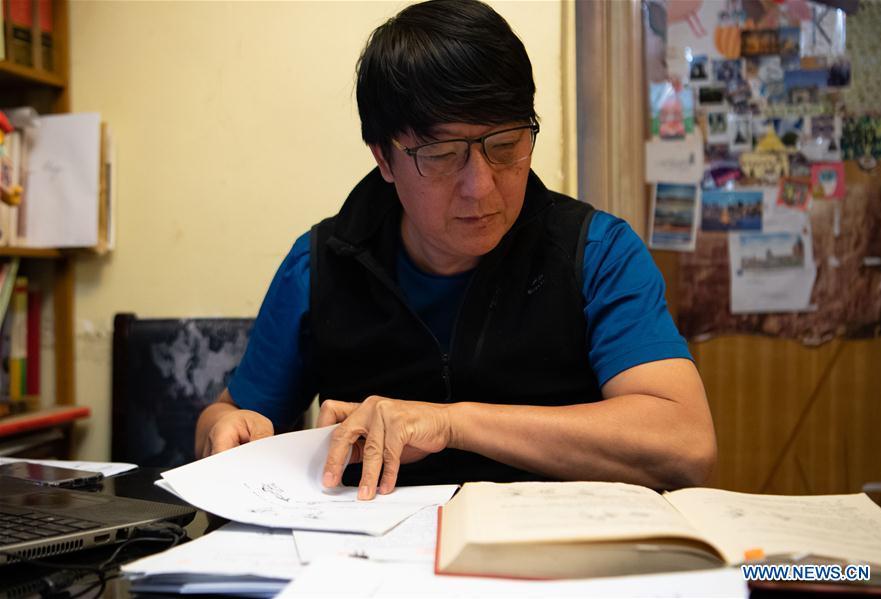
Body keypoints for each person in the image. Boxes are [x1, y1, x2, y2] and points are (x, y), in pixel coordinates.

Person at [196, 0, 716, 500]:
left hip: (554, 545)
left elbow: (686, 443)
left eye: (505, 146)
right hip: (367, 550)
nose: (481, 187)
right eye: (443, 156)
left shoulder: (597, 253)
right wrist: (226, 429)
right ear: (384, 158)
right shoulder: (320, 265)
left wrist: (450, 424)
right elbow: (228, 416)